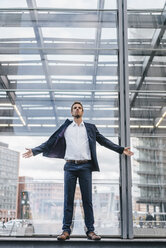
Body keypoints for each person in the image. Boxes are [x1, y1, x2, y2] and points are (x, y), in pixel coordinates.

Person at [23, 101, 134, 241]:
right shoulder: (66, 127)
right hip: (70, 167)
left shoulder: (90, 128)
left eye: (79, 108)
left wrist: (120, 149)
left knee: (87, 200)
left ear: (82, 111)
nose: (77, 109)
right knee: (68, 199)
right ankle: (65, 230)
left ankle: (90, 231)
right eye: (74, 108)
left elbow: (104, 141)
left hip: (85, 167)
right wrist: (34, 151)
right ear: (71, 112)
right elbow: (50, 142)